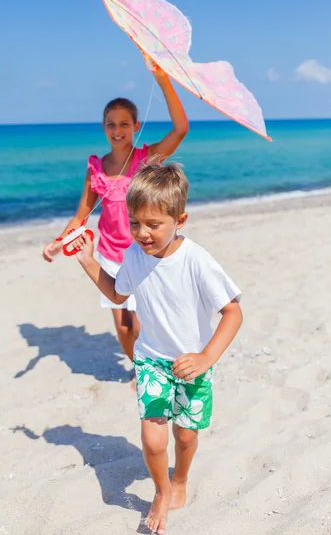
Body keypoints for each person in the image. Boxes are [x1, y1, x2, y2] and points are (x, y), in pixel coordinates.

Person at [73, 162, 243, 534]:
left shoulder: (196, 260)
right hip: (151, 359)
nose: (142, 233)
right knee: (152, 439)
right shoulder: (134, 256)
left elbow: (232, 312)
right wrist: (89, 261)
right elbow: (119, 293)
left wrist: (205, 357)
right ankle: (162, 491)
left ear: (179, 220)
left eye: (153, 225)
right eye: (135, 223)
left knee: (185, 435)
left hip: (193, 364)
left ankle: (180, 478)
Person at [42, 61, 189, 362]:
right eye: (111, 123)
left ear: (136, 126)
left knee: (139, 323)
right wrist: (60, 242)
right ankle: (139, 368)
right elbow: (81, 214)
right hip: (109, 256)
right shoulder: (96, 166)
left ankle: (154, 366)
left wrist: (162, 80)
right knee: (123, 328)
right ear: (103, 127)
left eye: (124, 124)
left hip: (143, 253)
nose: (117, 130)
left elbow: (181, 129)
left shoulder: (147, 159)